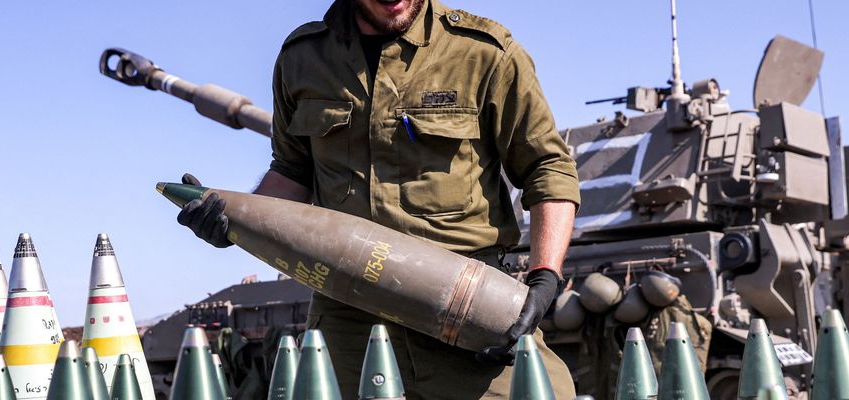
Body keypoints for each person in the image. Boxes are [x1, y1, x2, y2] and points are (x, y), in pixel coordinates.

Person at [178, 0, 580, 398]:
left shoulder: (484, 52)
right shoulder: (302, 58)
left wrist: (545, 278)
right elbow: (292, 171)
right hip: (348, 313)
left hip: (466, 302)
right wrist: (231, 222)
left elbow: (548, 168)